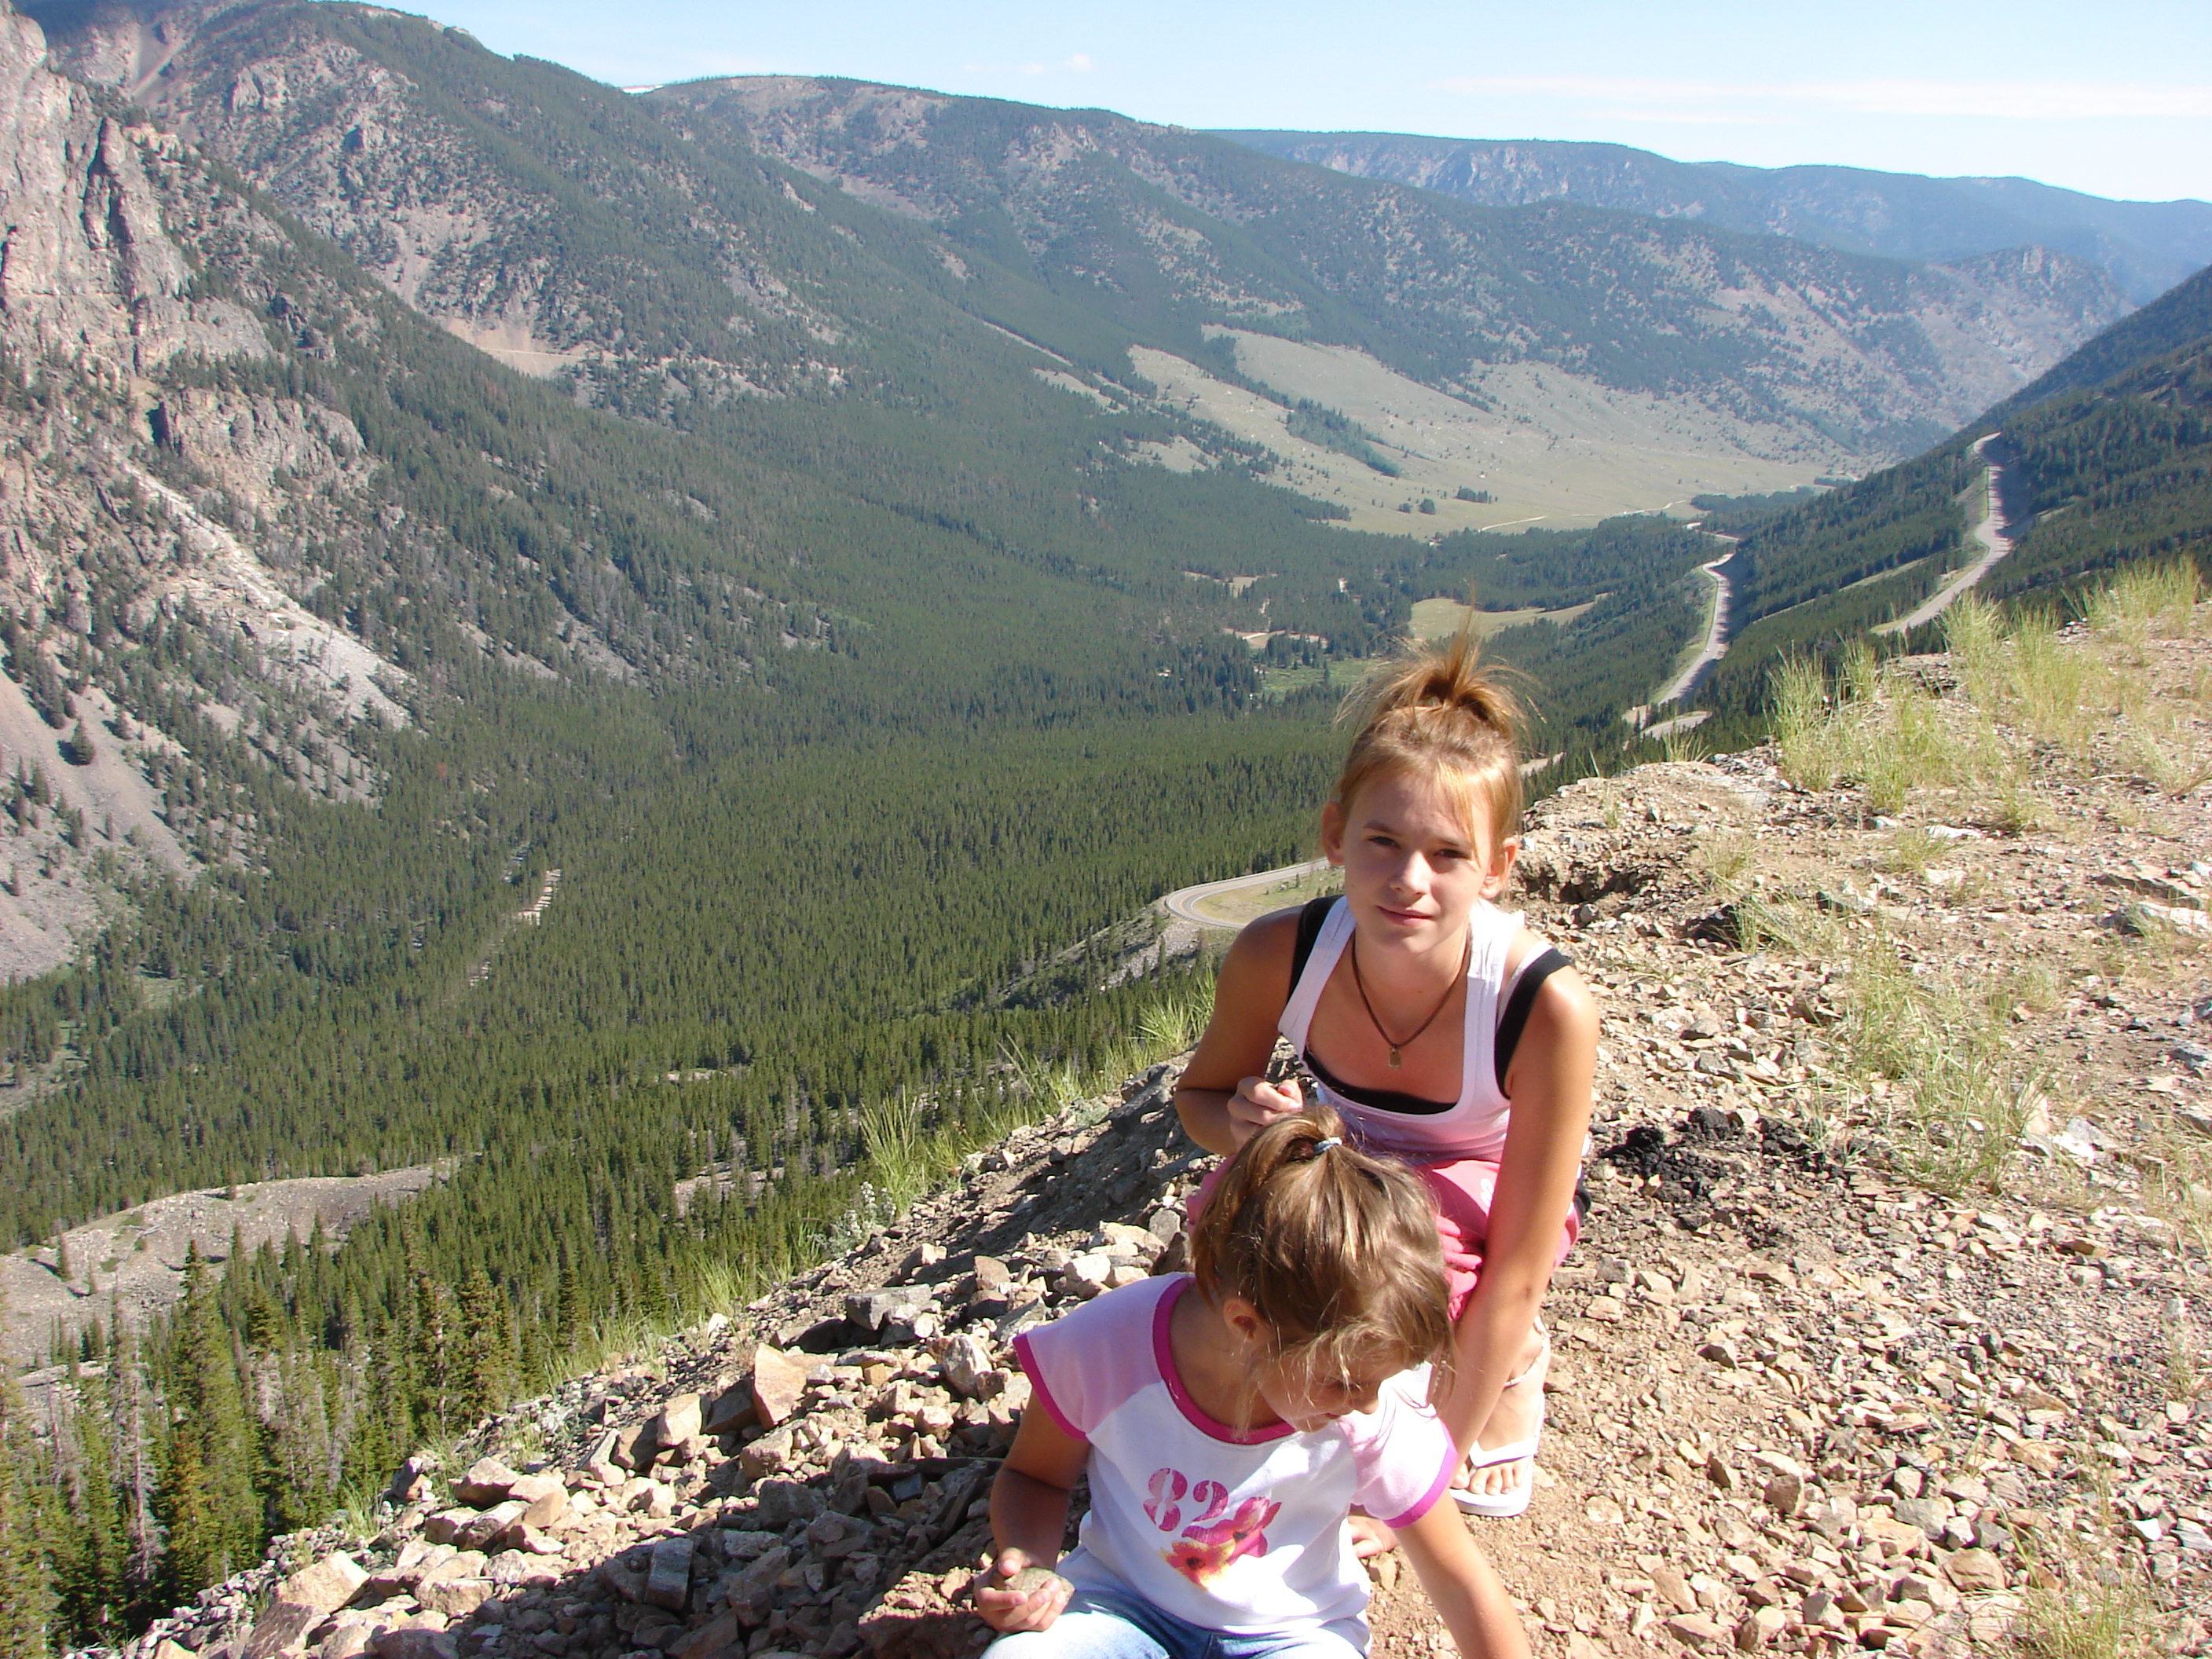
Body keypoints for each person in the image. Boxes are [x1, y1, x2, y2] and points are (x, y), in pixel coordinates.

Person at [1174, 624, 1597, 1519]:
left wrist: (1416, 1490)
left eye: (1448, 855)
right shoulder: (1278, 954)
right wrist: (1249, 1130)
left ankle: (1507, 1364)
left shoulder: (1539, 1006)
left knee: (1406, 1271)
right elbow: (1199, 1102)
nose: (1409, 878)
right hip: (1352, 1159)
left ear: (1497, 869)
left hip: (1481, 1191)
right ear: (1334, 836)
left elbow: (1518, 1265)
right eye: (1381, 842)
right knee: (1220, 1228)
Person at [975, 1108, 1531, 1659]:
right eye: (1344, 1383)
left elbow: (1461, 1582)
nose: (1364, 1404)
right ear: (1248, 1325)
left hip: (1295, 1632)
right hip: (1120, 1607)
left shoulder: (1374, 1410)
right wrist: (1029, 1563)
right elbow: (1035, 1477)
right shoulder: (1109, 1346)